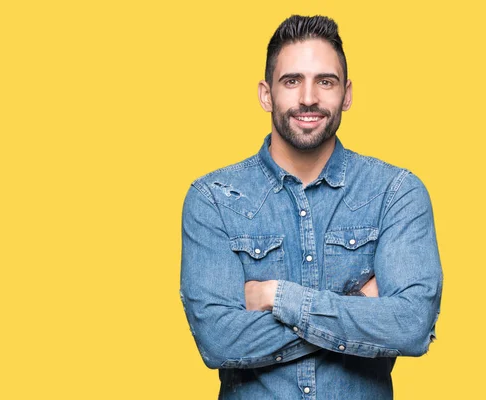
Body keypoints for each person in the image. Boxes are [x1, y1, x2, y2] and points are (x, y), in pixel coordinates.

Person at [180, 15, 443, 399]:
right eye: (292, 81)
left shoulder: (395, 193)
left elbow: (412, 325)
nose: (308, 98)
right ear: (266, 94)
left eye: (325, 81)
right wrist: (358, 308)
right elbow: (220, 342)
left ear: (347, 94)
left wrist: (277, 297)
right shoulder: (214, 199)